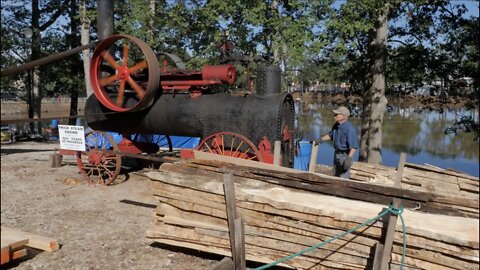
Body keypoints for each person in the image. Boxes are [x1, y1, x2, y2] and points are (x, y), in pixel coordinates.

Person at [314, 106, 358, 179]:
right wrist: (319, 140)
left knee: (344, 178)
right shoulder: (336, 125)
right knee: (336, 176)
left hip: (345, 156)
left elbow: (353, 147)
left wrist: (349, 159)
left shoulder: (349, 129)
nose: (335, 116)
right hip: (336, 154)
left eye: (337, 114)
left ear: (344, 116)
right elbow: (330, 135)